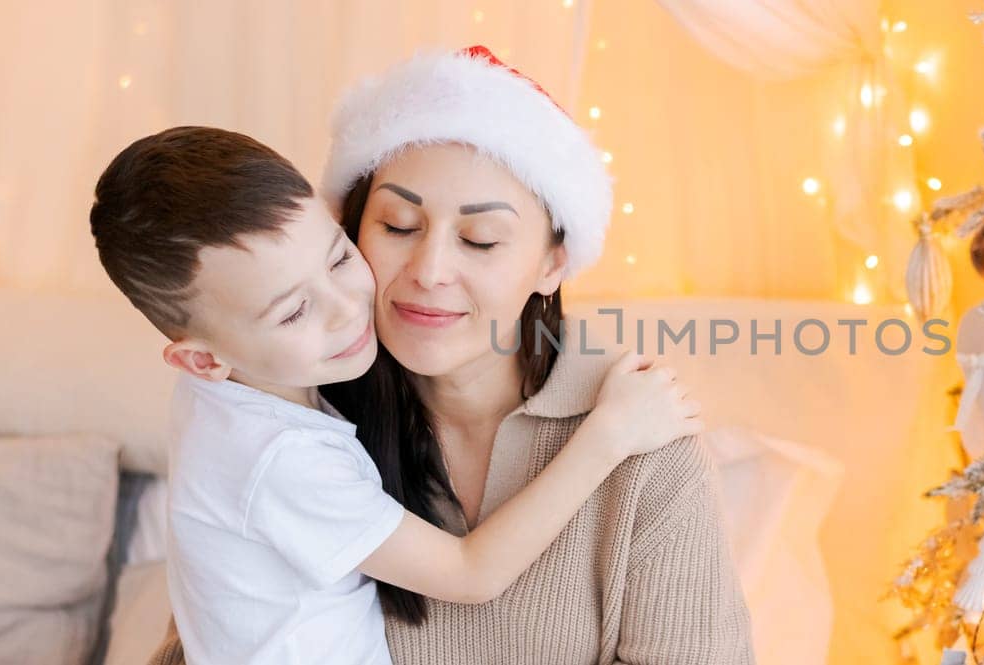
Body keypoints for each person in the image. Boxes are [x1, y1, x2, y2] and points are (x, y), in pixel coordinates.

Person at [90, 125, 700, 665]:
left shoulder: (245, 383)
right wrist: (610, 437)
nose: (346, 309)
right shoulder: (281, 455)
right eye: (295, 311)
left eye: (336, 258)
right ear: (201, 360)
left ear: (553, 263)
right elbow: (470, 573)